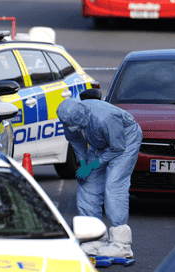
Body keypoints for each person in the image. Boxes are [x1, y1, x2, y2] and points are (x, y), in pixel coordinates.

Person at [56, 98, 142, 259]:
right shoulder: (68, 118)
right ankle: (95, 238)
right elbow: (76, 140)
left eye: (79, 126)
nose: (75, 129)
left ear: (84, 117)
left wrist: (91, 166)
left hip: (125, 142)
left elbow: (117, 148)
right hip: (99, 144)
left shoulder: (106, 118)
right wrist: (83, 165)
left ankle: (121, 244)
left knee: (113, 184)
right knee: (86, 184)